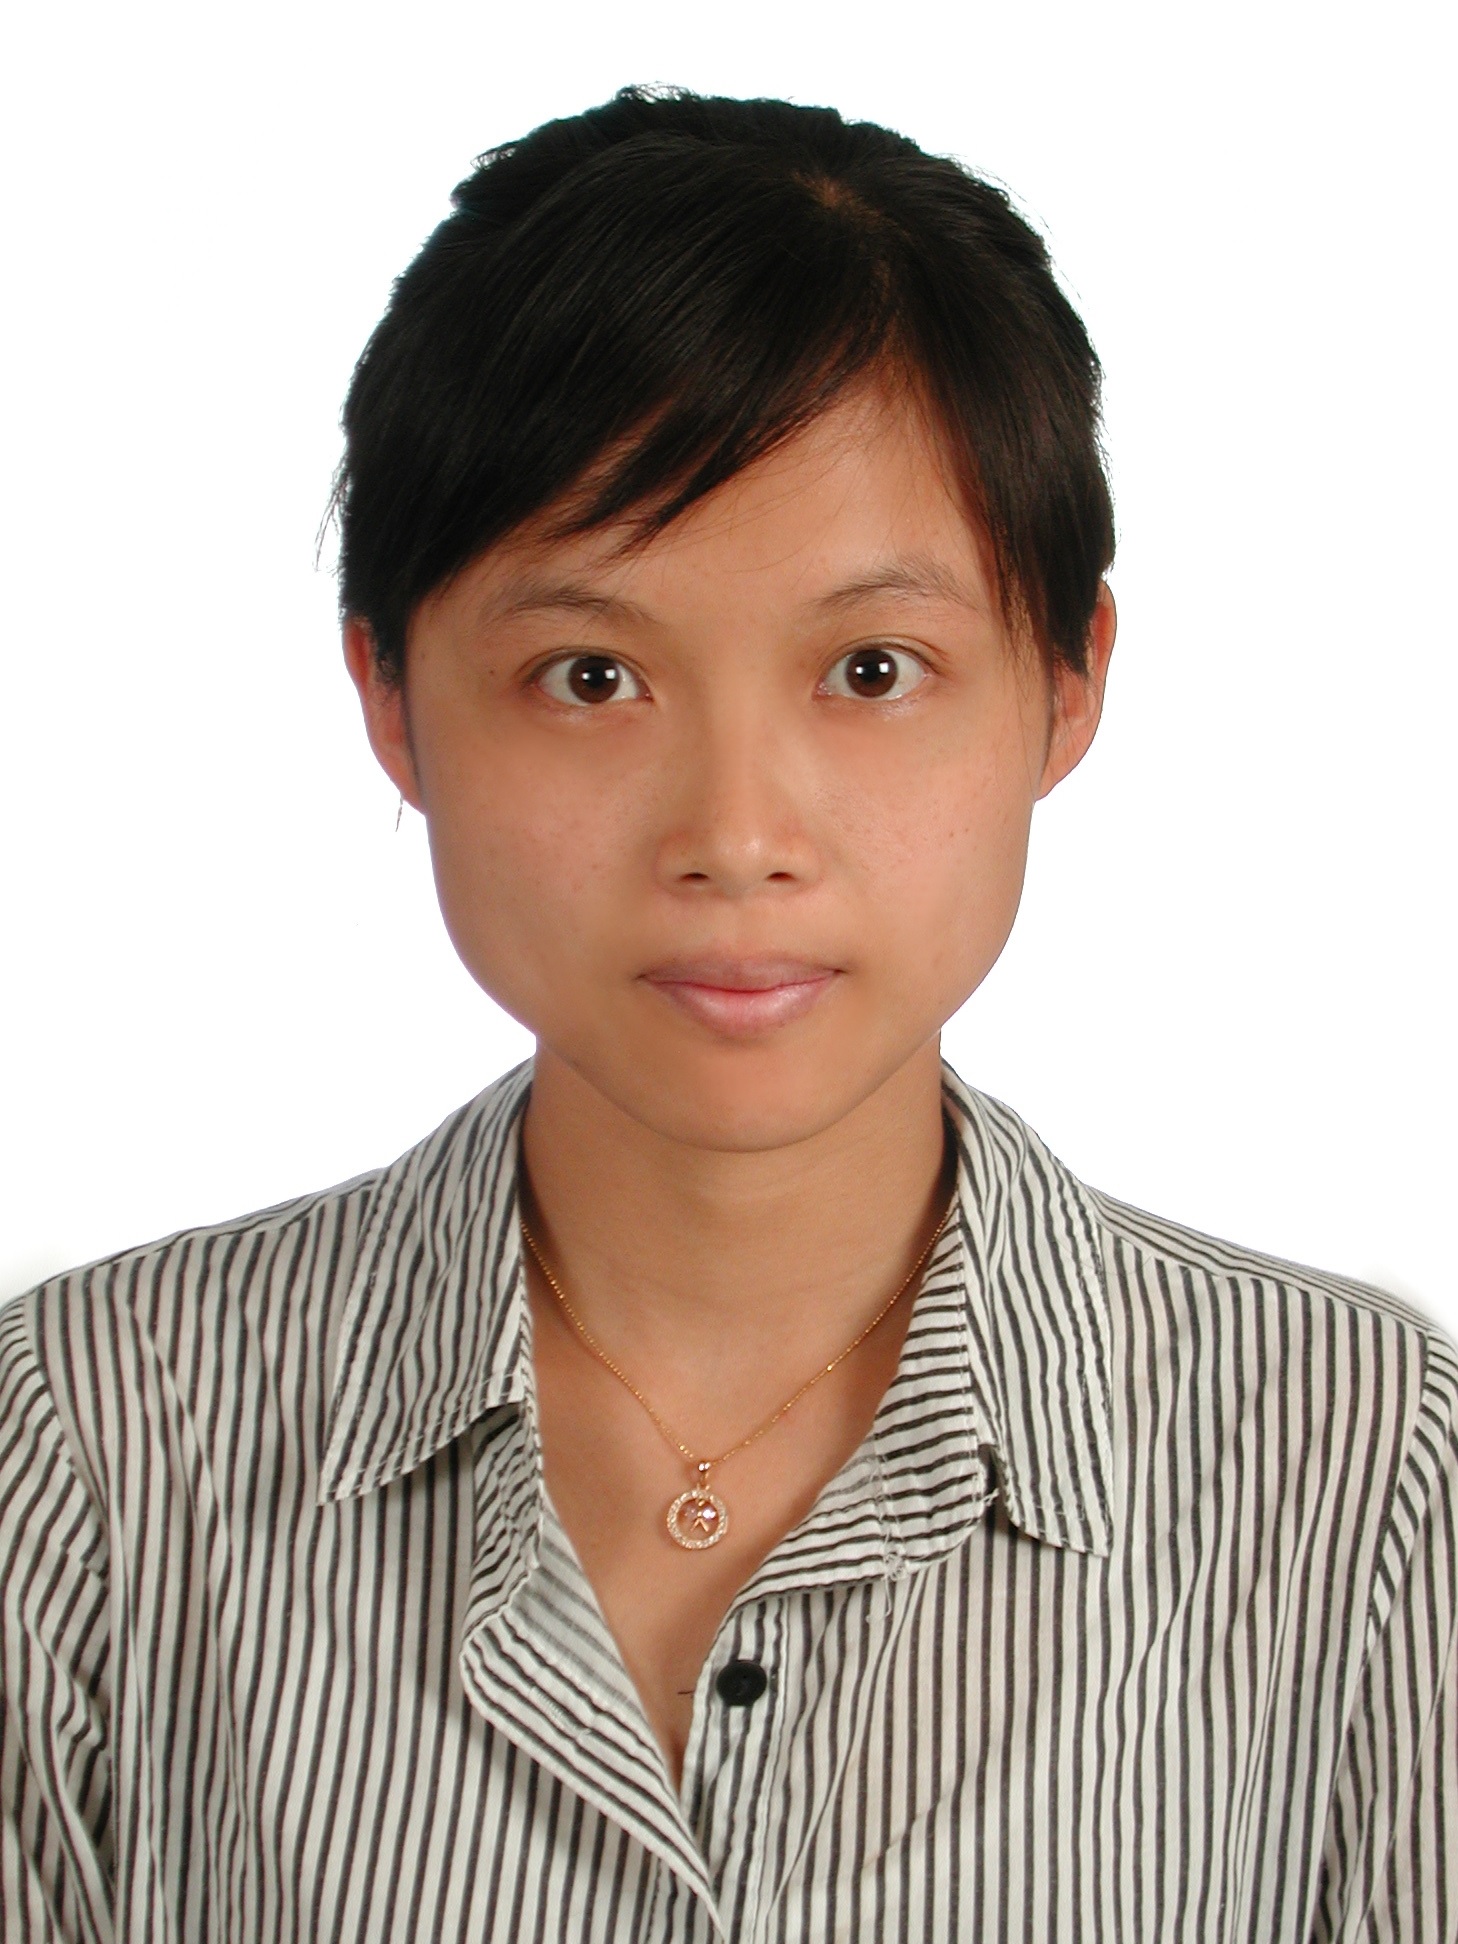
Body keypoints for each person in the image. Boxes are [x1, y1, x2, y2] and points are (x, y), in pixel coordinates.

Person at [1, 84, 1453, 1944]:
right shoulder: (84, 1454)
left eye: (872, 668)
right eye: (589, 675)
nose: (737, 834)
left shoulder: (1366, 1474)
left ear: (1066, 681)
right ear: (390, 696)